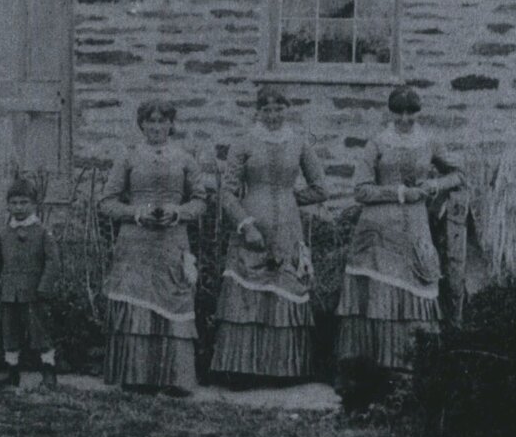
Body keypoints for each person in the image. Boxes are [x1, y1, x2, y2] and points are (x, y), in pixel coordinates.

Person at [337, 87, 463, 382]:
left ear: (418, 113)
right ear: (391, 113)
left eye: (411, 112)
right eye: (399, 113)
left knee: (415, 287)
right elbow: (361, 190)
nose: (405, 119)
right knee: (377, 296)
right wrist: (400, 192)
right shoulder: (378, 143)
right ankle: (369, 367)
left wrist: (435, 186)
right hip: (377, 231)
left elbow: (458, 174)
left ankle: (409, 367)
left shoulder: (430, 141)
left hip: (414, 229)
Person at [209, 85, 329, 386]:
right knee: (249, 289)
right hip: (251, 227)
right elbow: (227, 194)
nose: (273, 115)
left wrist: (288, 199)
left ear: (287, 110)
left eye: (279, 109)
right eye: (267, 110)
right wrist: (246, 223)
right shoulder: (244, 143)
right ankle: (242, 369)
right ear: (258, 111)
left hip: (288, 229)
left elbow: (320, 188)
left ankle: (283, 371)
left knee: (285, 285)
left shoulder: (299, 144)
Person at [99, 99, 207, 396]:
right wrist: (135, 212)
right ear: (142, 125)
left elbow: (200, 201)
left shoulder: (185, 159)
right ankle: (136, 376)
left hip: (172, 241)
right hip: (135, 243)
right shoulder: (129, 158)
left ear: (171, 124)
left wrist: (178, 212)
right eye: (150, 121)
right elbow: (107, 202)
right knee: (136, 303)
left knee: (174, 300)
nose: (156, 127)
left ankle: (174, 378)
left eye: (162, 121)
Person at [0, 179, 57, 390]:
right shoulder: (3, 233)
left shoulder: (43, 232)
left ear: (34, 205)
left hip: (34, 293)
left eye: (24, 202)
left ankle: (49, 374)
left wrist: (44, 287)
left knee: (40, 333)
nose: (19, 207)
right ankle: (12, 374)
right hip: (9, 294)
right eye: (14, 203)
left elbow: (53, 261)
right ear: (8, 205)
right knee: (9, 333)